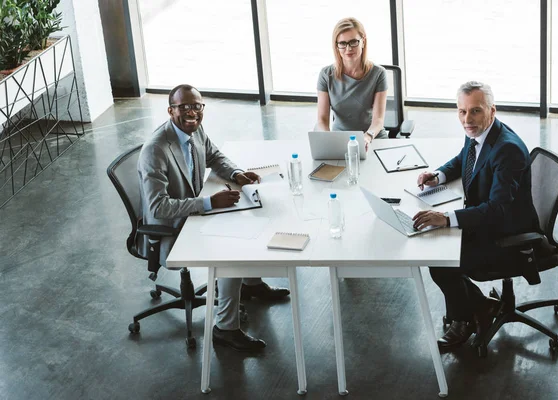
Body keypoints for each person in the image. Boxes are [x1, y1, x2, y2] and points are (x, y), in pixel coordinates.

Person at [137, 84, 290, 352]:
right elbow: (158, 207)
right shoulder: (156, 149)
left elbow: (214, 155)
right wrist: (209, 202)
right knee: (231, 250)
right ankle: (225, 328)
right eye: (184, 107)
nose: (192, 112)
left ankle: (251, 285)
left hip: (192, 215)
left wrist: (236, 174)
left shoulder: (193, 129)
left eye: (197, 106)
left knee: (252, 217)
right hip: (170, 230)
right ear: (170, 110)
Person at [411, 81, 540, 351]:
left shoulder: (507, 149)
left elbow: (497, 210)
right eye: (462, 112)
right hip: (490, 219)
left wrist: (446, 218)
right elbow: (464, 158)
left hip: (508, 234)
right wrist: (439, 175)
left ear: (492, 111)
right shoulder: (480, 132)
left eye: (475, 111)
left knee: (442, 261)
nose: (467, 119)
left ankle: (467, 317)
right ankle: (480, 308)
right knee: (438, 249)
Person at [316, 17, 387, 151]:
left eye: (353, 42)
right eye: (342, 43)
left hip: (372, 138)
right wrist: (327, 139)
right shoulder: (326, 75)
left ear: (363, 42)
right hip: (340, 140)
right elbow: (322, 120)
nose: (348, 48)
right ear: (336, 46)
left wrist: (367, 137)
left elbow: (378, 120)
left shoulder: (379, 74)